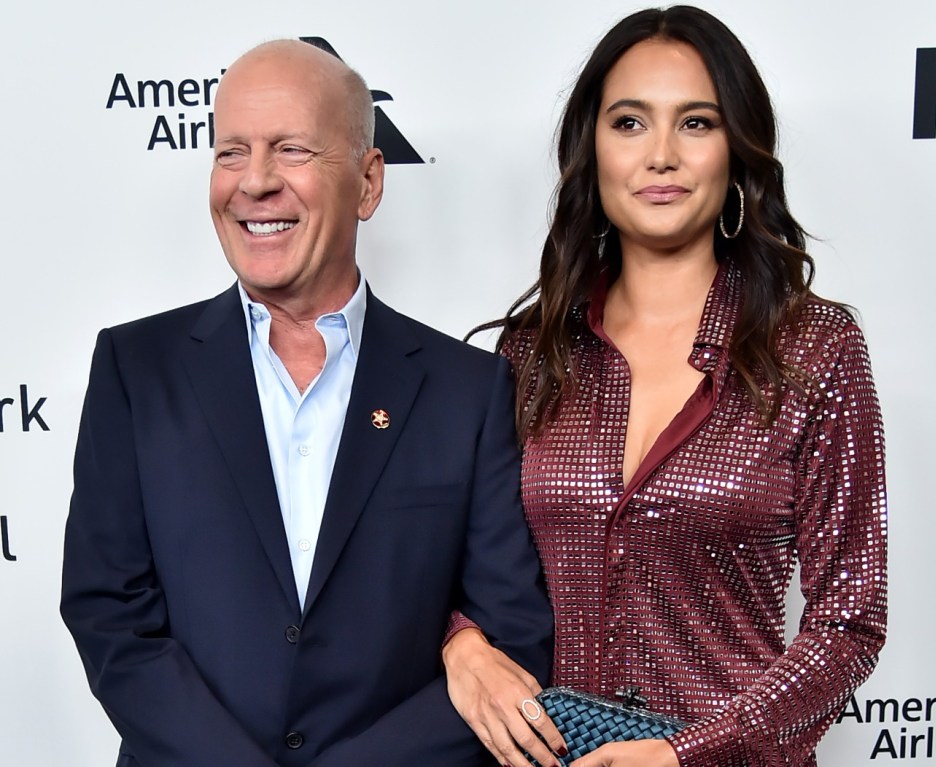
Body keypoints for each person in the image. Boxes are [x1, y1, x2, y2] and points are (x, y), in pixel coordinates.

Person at [60, 39, 552, 767]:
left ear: (368, 182)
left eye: (291, 150)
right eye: (231, 152)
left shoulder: (467, 390)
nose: (255, 182)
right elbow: (109, 614)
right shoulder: (136, 370)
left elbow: (511, 634)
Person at [442, 7, 887, 767]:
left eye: (696, 123)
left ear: (736, 150)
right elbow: (442, 558)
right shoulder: (530, 354)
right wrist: (462, 644)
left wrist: (684, 753)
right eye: (629, 123)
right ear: (591, 149)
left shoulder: (814, 348)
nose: (660, 155)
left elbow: (849, 623)